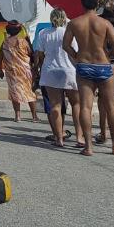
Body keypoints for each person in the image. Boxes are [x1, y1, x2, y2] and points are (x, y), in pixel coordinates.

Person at [63, 0, 114, 156]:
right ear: (97, 4)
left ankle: (88, 147)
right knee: (111, 106)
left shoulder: (74, 23)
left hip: (84, 65)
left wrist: (76, 56)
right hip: (103, 65)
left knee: (85, 106)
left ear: (82, 4)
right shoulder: (104, 23)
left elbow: (66, 45)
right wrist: (109, 56)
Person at [34, 8, 81, 147]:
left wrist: (38, 68)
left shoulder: (43, 33)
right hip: (69, 70)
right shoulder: (68, 32)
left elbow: (40, 54)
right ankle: (79, 137)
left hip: (50, 70)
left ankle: (59, 138)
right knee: (76, 104)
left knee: (55, 105)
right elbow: (75, 52)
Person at [0, 20, 38, 122]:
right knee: (29, 92)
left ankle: (18, 116)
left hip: (12, 72)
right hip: (25, 72)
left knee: (14, 93)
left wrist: (0, 71)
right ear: (19, 30)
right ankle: (34, 116)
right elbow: (30, 54)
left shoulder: (5, 42)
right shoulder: (24, 42)